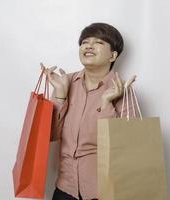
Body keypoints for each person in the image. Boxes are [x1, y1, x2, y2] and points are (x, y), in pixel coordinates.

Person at [41, 22, 136, 200]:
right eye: (85, 42)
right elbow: (50, 135)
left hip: (104, 191)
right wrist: (60, 95)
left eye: (99, 42)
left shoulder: (122, 90)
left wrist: (106, 103)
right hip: (65, 189)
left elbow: (127, 146)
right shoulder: (65, 82)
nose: (89, 46)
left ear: (113, 55)